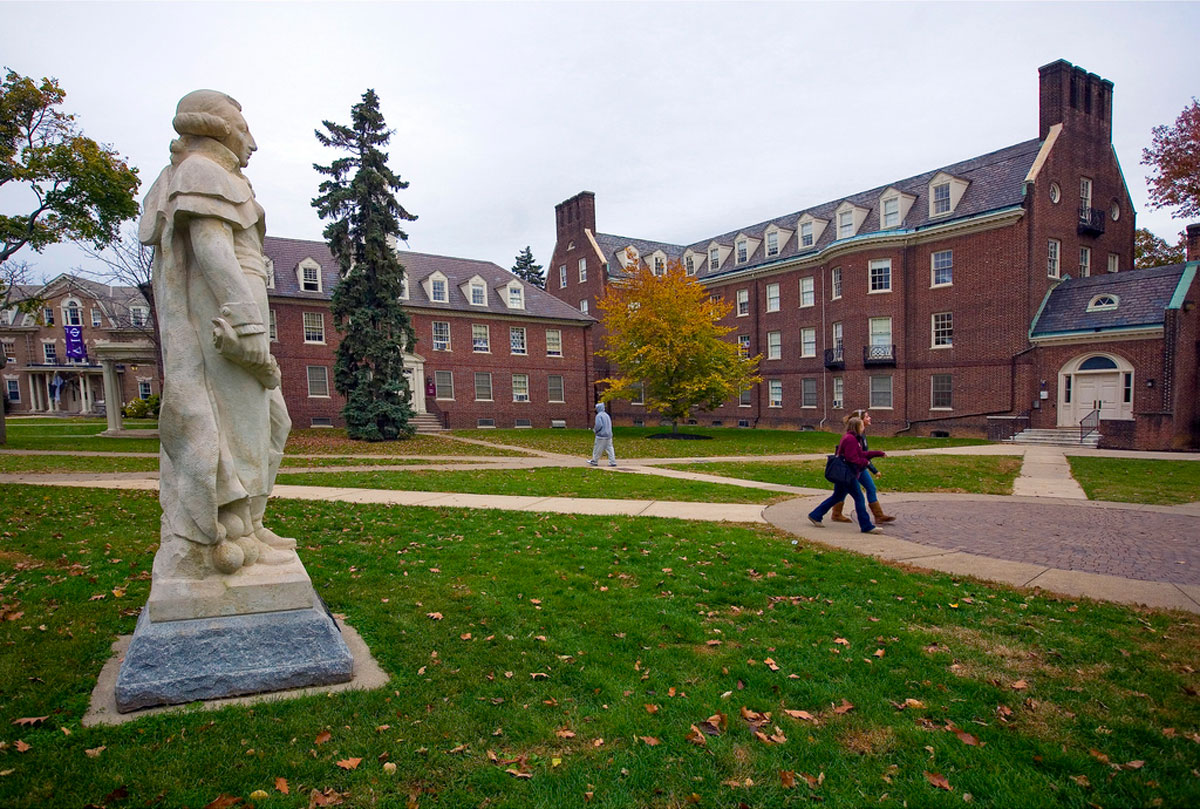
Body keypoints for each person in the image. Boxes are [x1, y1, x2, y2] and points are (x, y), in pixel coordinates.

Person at [139, 89, 293, 577]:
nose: (254, 143)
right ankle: (233, 532)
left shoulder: (225, 177)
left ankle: (253, 522)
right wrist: (246, 323)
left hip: (242, 303)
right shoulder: (202, 172)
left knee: (272, 422)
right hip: (226, 311)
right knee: (240, 426)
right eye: (245, 130)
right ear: (221, 130)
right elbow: (212, 249)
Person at [807, 415, 885, 534]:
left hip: (844, 474)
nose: (863, 428)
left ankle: (815, 515)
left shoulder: (853, 438)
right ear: (856, 427)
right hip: (848, 474)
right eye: (862, 426)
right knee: (859, 498)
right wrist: (866, 462)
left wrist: (878, 453)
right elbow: (852, 458)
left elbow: (861, 454)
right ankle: (866, 526)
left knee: (837, 496)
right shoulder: (850, 439)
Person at [830, 409, 895, 524]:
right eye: (867, 417)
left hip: (859, 467)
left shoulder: (861, 435)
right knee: (845, 492)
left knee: (869, 488)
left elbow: (863, 454)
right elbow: (856, 456)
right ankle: (834, 514)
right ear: (859, 421)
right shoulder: (853, 437)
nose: (869, 418)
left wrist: (873, 467)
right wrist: (872, 468)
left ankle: (878, 516)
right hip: (851, 468)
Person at [588, 401, 616, 467]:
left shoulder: (599, 416)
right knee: (610, 448)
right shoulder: (607, 415)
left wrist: (595, 430)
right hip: (609, 435)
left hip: (601, 436)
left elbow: (599, 425)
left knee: (597, 448)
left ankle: (594, 461)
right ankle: (612, 461)